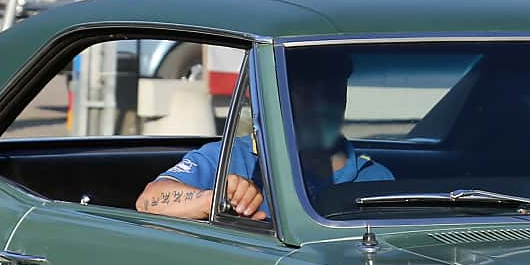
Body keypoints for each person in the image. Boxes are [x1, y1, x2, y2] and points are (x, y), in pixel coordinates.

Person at [136, 52, 391, 219]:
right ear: (278, 97)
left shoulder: (375, 176)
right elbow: (149, 199)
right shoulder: (231, 157)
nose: (321, 105)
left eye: (332, 92)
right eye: (307, 93)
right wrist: (215, 200)